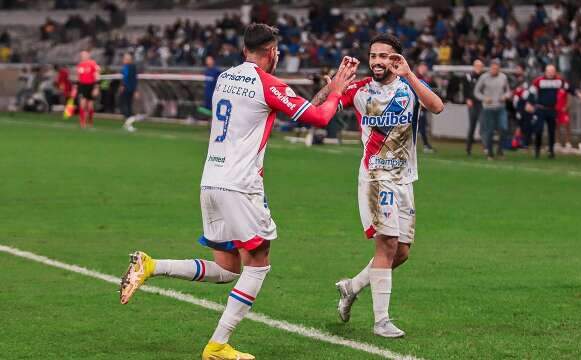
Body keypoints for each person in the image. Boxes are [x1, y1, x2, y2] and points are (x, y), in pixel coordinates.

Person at [118, 23, 357, 360]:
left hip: (211, 181)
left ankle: (152, 265)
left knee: (229, 269)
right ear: (273, 52)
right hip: (240, 186)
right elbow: (317, 117)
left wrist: (329, 91)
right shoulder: (268, 83)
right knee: (258, 265)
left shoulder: (226, 79)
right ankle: (217, 346)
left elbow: (286, 111)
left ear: (244, 50)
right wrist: (335, 92)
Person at [313, 33, 443, 338]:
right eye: (373, 56)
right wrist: (334, 86)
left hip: (404, 180)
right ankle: (381, 321)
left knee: (402, 253)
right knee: (386, 246)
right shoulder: (359, 89)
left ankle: (352, 287)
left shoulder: (409, 88)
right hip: (374, 178)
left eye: (384, 56)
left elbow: (436, 106)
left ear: (397, 59)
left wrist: (410, 74)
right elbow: (317, 108)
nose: (377, 61)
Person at [526, 64, 581, 158]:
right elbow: (532, 92)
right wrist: (529, 103)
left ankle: (551, 152)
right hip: (540, 109)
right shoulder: (539, 81)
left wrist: (578, 94)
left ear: (554, 72)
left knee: (552, 131)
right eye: (549, 72)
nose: (550, 73)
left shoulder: (559, 81)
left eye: (552, 72)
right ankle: (537, 151)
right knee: (538, 130)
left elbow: (569, 88)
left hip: (552, 109)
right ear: (545, 72)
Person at [473, 59, 510, 160]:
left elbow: (508, 91)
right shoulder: (484, 77)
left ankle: (500, 150)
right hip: (488, 108)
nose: (495, 70)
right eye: (493, 68)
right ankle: (490, 153)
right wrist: (484, 98)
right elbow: (476, 92)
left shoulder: (503, 77)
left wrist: (505, 96)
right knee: (489, 131)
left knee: (503, 128)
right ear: (490, 68)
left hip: (500, 107)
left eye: (497, 68)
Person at [463, 59, 484, 155]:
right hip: (473, 104)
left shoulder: (484, 77)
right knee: (472, 126)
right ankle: (468, 148)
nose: (478, 68)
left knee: (483, 126)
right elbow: (465, 89)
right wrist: (467, 99)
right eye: (477, 66)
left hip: (482, 103)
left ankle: (486, 148)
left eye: (480, 66)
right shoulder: (469, 77)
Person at [414, 62, 436, 153]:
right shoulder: (415, 78)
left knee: (422, 127)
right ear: (418, 68)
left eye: (425, 68)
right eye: (422, 67)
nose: (424, 69)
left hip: (422, 106)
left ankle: (425, 145)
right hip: (417, 106)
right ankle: (426, 145)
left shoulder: (425, 79)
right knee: (421, 127)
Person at [76, 50, 100, 128]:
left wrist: (96, 87)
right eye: (82, 55)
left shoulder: (93, 63)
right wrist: (76, 87)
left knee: (90, 104)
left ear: (88, 56)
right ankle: (82, 122)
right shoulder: (80, 65)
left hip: (91, 85)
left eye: (84, 55)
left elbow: (97, 75)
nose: (83, 56)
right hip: (82, 85)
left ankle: (90, 121)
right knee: (82, 103)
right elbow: (79, 77)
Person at [119, 53, 140, 132]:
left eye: (124, 58)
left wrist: (123, 86)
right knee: (127, 105)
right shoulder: (131, 67)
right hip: (129, 89)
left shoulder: (129, 67)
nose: (123, 60)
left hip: (128, 89)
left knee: (125, 106)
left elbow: (127, 78)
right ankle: (127, 124)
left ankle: (129, 124)